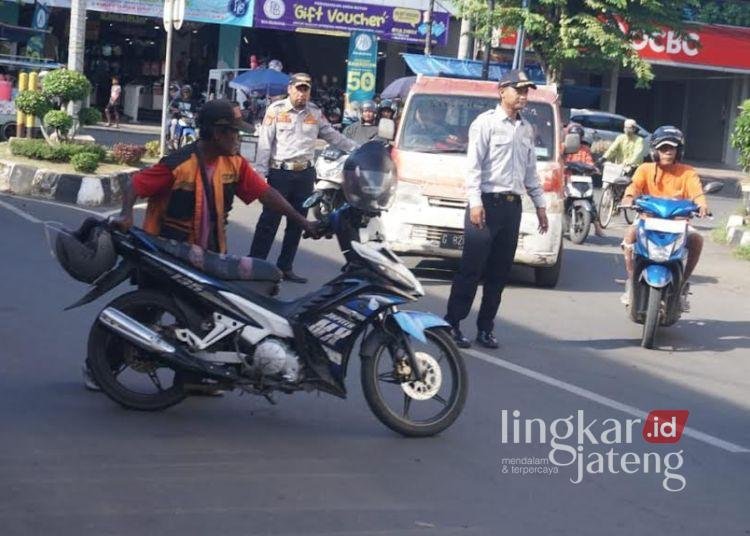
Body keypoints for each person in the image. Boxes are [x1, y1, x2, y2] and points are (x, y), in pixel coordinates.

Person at [82, 99, 321, 391]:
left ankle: (196, 377)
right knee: (148, 313)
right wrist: (127, 214)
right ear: (217, 133)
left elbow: (266, 194)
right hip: (166, 255)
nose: (238, 138)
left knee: (207, 319)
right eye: (234, 132)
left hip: (208, 256)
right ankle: (99, 369)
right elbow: (136, 185)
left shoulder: (233, 163)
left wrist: (301, 221)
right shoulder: (180, 163)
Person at [444, 69, 549, 349]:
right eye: (519, 90)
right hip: (485, 205)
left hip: (512, 208)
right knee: (471, 269)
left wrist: (540, 205)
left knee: (499, 273)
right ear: (502, 91)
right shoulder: (485, 124)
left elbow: (530, 173)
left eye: (527, 92)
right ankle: (452, 323)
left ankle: (485, 328)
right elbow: (473, 167)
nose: (524, 97)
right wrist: (475, 203)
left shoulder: (526, 128)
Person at [249, 73, 358, 284]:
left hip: (304, 174)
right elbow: (264, 144)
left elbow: (333, 136)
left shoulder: (315, 113)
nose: (302, 93)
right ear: (290, 89)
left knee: (297, 223)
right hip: (280, 172)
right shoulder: (276, 110)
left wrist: (357, 150)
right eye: (298, 88)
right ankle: (255, 265)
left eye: (305, 89)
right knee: (269, 221)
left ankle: (285, 266)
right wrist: (260, 175)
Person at [620, 125, 708, 312]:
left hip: (678, 224)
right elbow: (634, 187)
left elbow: (697, 193)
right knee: (630, 235)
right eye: (663, 148)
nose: (668, 152)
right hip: (647, 220)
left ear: (679, 151)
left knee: (697, 240)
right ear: (654, 151)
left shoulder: (687, 172)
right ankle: (631, 285)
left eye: (672, 148)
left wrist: (702, 204)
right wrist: (628, 198)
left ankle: (682, 284)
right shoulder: (645, 169)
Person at [565, 123, 605, 237]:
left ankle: (597, 228)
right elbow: (561, 160)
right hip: (567, 178)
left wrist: (594, 168)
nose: (575, 139)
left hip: (582, 178)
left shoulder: (585, 149)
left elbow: (589, 162)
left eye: (578, 136)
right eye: (573, 136)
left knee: (591, 201)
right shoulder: (565, 147)